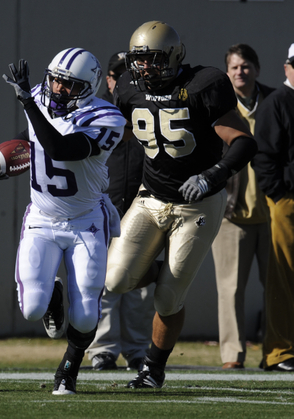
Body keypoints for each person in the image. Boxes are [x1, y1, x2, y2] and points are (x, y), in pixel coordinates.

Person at [105, 21, 258, 389]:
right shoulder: (127, 85)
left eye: (155, 60)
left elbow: (243, 141)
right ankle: (165, 267)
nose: (147, 69)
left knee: (169, 299)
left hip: (198, 203)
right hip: (151, 196)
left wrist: (212, 175)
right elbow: (120, 131)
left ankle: (153, 370)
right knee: (114, 279)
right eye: (140, 61)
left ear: (175, 57)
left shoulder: (204, 84)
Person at [0, 48, 125, 394]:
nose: (58, 89)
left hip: (86, 220)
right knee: (32, 309)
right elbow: (32, 138)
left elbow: (61, 148)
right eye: (55, 81)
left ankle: (68, 371)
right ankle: (52, 297)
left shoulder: (107, 118)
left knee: (88, 313)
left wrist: (29, 103)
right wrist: (2, 157)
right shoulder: (37, 97)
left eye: (69, 84)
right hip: (43, 218)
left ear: (89, 87)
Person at [85, 52, 154, 372]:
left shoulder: (150, 108)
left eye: (131, 74)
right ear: (108, 79)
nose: (125, 80)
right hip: (102, 207)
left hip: (143, 208)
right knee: (103, 281)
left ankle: (138, 349)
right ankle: (103, 348)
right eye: (119, 74)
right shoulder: (93, 111)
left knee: (140, 285)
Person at [211, 44, 273, 370]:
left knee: (279, 288)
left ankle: (277, 352)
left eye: (246, 66)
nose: (240, 72)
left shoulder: (276, 102)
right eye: (234, 67)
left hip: (273, 212)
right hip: (231, 213)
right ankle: (232, 355)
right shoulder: (217, 107)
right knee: (230, 289)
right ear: (227, 72)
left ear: (257, 69)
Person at [251, 42, 294, 372]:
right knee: (284, 276)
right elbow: (262, 157)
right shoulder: (276, 103)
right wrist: (280, 197)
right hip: (287, 202)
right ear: (287, 68)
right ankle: (279, 351)